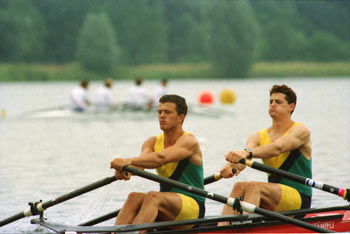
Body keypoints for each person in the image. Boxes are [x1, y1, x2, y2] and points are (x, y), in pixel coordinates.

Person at [218, 84, 312, 226]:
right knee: (239, 186)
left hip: (299, 197)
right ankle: (222, 228)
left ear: (291, 107)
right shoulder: (257, 136)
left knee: (254, 186)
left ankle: (244, 226)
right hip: (274, 197)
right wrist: (231, 167)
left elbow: (277, 148)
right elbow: (243, 160)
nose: (273, 105)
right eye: (270, 102)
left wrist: (246, 153)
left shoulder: (300, 130)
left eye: (278, 102)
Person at [110, 94, 205, 230]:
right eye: (159, 112)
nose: (162, 116)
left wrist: (127, 160)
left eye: (167, 112)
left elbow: (160, 158)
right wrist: (126, 171)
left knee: (153, 196)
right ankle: (115, 233)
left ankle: (137, 232)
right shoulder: (152, 142)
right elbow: (141, 165)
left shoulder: (189, 141)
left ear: (180, 118)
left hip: (193, 207)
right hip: (167, 203)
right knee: (134, 197)